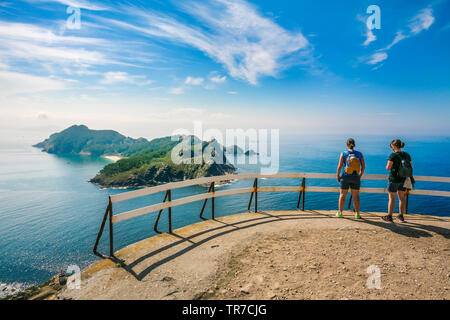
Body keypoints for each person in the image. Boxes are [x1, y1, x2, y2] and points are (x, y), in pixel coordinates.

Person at [382, 139, 414, 223]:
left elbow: (388, 168)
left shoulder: (393, 155)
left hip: (394, 179)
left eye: (391, 146)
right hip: (403, 179)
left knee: (392, 198)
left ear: (393, 146)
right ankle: (401, 216)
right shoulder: (406, 155)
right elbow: (411, 166)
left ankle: (389, 216)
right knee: (402, 198)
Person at [336, 138, 365, 219]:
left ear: (347, 145)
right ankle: (357, 214)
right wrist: (360, 175)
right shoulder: (359, 154)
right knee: (356, 196)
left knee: (342, 195)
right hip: (356, 177)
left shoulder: (343, 153)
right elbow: (363, 166)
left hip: (345, 177)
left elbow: (339, 166)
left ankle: (340, 212)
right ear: (354, 144)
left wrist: (338, 175)